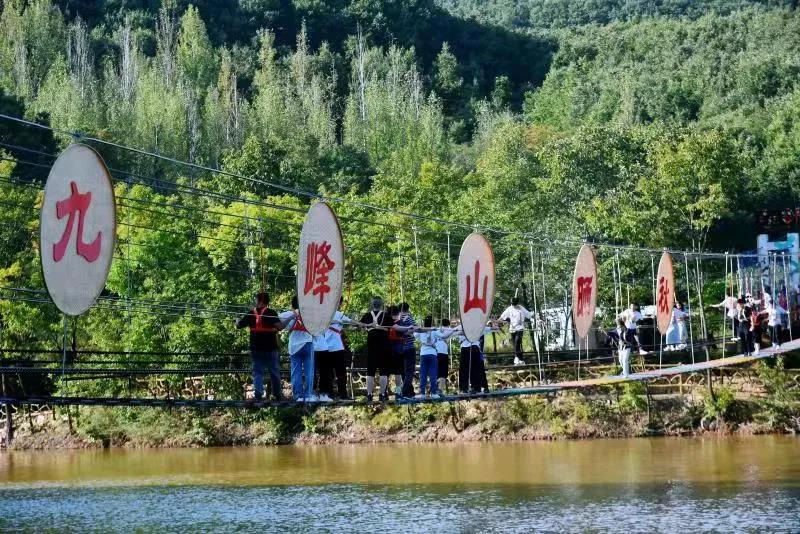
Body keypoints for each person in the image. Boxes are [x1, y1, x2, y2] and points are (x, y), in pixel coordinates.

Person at [236, 292, 284, 401]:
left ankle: (258, 395)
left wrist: (237, 321)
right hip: (271, 348)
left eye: (256, 300)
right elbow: (280, 327)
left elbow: (239, 325)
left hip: (256, 349)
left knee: (257, 372)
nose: (255, 302)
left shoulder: (250, 313)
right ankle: (277, 395)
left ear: (260, 301)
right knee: (274, 372)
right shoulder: (271, 313)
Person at [279, 296, 315, 401]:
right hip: (308, 343)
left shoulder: (289, 314)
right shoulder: (310, 314)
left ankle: (297, 396)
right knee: (309, 371)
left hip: (294, 346)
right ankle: (308, 395)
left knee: (296, 371)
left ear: (292, 305)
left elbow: (274, 319)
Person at [360, 297, 393, 402]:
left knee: (370, 371)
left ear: (372, 305)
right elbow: (393, 327)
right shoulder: (386, 316)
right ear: (382, 305)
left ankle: (369, 395)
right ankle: (382, 394)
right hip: (384, 345)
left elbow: (361, 327)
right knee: (383, 372)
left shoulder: (367, 315)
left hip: (371, 344)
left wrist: (367, 328)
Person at [325, 298, 354, 400]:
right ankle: (342, 395)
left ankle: (330, 395)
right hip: (337, 347)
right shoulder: (338, 314)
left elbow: (351, 322)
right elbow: (352, 321)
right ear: (339, 303)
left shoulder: (325, 313)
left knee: (329, 373)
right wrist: (366, 325)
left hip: (326, 348)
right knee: (341, 373)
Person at [456, 323, 497, 394]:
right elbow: (491, 329)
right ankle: (475, 388)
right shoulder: (477, 325)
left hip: (468, 348)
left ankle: (466, 388)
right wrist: (495, 327)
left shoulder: (462, 326)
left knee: (466, 369)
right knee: (475, 368)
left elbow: (450, 332)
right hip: (473, 347)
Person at [499, 297, 531, 365]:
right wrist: (497, 322)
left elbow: (529, 315)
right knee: (515, 345)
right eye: (512, 304)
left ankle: (519, 359)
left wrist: (538, 319)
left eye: (514, 304)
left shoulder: (521, 308)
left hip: (520, 328)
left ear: (517, 303)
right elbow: (503, 316)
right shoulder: (509, 308)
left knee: (517, 343)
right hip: (512, 329)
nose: (513, 305)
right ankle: (518, 359)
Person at [396, 303, 418, 398]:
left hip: (400, 348)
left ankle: (410, 391)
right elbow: (416, 327)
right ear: (408, 309)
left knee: (403, 371)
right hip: (409, 346)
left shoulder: (397, 319)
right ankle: (405, 392)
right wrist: (408, 332)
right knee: (410, 371)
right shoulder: (408, 318)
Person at [436, 318, 453, 393]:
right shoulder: (450, 330)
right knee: (443, 373)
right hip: (444, 353)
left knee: (437, 371)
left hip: (436, 353)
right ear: (448, 324)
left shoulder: (436, 330)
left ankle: (435, 389)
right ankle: (440, 389)